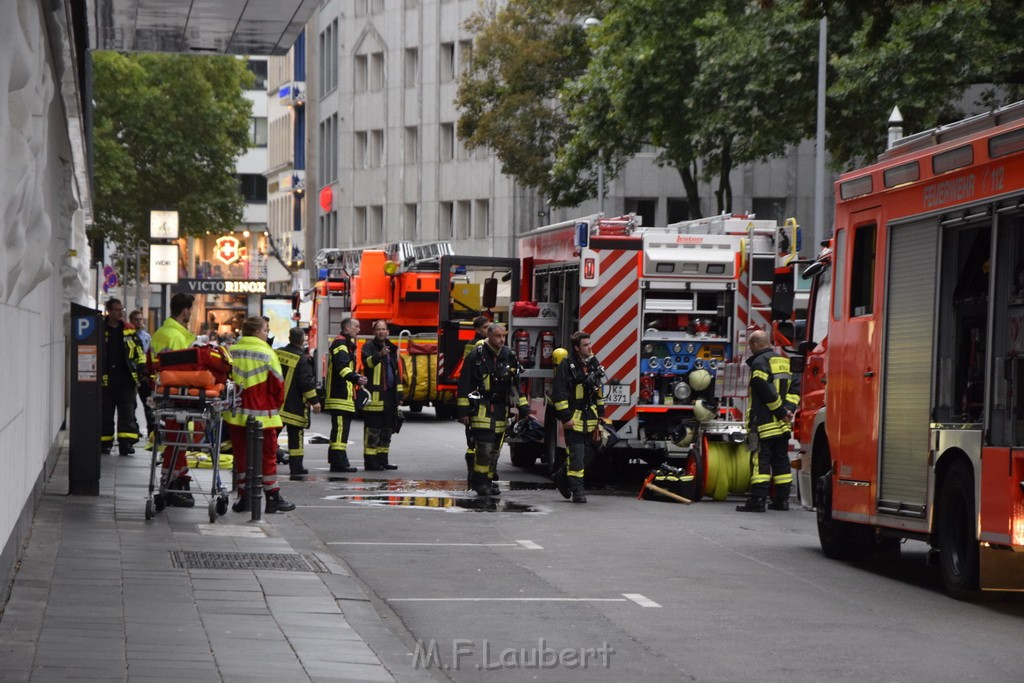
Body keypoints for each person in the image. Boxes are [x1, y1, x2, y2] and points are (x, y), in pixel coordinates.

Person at [224, 316, 295, 513]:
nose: (267, 333)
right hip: (263, 416)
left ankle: (245, 498)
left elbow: (226, 379)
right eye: (266, 330)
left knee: (242, 456)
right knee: (268, 456)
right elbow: (278, 386)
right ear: (256, 332)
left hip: (236, 415)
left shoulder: (233, 350)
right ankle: (273, 497)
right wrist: (275, 406)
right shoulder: (267, 352)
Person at [457, 323, 529, 496]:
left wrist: (524, 407)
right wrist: (463, 411)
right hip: (481, 407)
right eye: (498, 336)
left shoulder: (509, 355)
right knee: (485, 448)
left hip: (500, 409)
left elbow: (516, 385)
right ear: (489, 336)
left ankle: (488, 481)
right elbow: (465, 382)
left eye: (503, 336)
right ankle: (480, 483)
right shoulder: (477, 355)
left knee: (495, 450)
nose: (502, 339)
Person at [736, 329, 800, 513]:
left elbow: (764, 389)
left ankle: (757, 499)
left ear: (755, 345)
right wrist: (789, 410)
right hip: (783, 425)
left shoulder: (759, 362)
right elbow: (795, 390)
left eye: (750, 345)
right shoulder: (785, 361)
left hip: (764, 423)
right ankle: (782, 500)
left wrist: (780, 411)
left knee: (760, 461)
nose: (750, 349)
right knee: (781, 460)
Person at [148, 292, 199, 506]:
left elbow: (151, 365)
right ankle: (170, 485)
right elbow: (183, 372)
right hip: (176, 394)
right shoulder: (176, 337)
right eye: (191, 309)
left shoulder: (162, 332)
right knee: (176, 441)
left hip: (163, 392)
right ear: (185, 310)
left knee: (176, 440)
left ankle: (178, 479)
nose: (192, 313)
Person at [551, 331, 606, 504]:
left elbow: (598, 389)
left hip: (589, 417)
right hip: (573, 418)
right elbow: (559, 393)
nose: (590, 347)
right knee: (577, 454)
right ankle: (577, 490)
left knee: (588, 453)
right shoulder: (566, 365)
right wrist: (566, 418)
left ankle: (561, 477)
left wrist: (601, 413)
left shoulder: (593, 362)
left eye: (590, 343)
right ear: (576, 347)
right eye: (585, 345)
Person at [100, 298, 146, 456]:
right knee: (105, 412)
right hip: (106, 378)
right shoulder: (100, 328)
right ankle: (105, 442)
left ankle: (125, 444)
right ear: (109, 311)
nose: (120, 313)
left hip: (126, 378)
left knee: (127, 411)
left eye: (122, 309)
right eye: (117, 310)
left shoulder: (128, 329)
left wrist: (141, 368)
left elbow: (139, 350)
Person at [276, 327, 322, 476]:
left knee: (270, 437)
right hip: (293, 407)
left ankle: (265, 464)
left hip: (276, 406)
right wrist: (314, 401)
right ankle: (296, 468)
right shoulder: (302, 359)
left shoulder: (277, 353)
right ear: (302, 340)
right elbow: (306, 383)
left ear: (289, 338)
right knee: (295, 438)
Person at [360, 320, 403, 471]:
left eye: (384, 329)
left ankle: (383, 461)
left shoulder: (391, 348)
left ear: (388, 332)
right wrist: (379, 354)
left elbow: (395, 373)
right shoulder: (368, 347)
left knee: (386, 432)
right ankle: (371, 463)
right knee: (372, 432)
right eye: (378, 329)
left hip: (389, 398)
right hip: (374, 398)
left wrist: (400, 394)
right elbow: (368, 364)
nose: (381, 332)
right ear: (374, 332)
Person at [324, 318, 365, 473]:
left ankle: (337, 461)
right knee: (340, 430)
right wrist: (356, 378)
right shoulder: (341, 344)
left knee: (339, 430)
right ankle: (340, 463)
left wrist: (356, 377)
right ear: (347, 328)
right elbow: (342, 367)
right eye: (356, 326)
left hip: (342, 395)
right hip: (339, 395)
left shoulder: (344, 343)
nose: (359, 330)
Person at [462, 315, 491, 485]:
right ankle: (473, 475)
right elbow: (469, 373)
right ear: (478, 330)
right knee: (473, 441)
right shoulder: (473, 346)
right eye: (486, 327)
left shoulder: (490, 346)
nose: (489, 330)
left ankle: (477, 475)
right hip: (475, 399)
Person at [129, 309, 156, 443]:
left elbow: (149, 354)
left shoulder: (147, 336)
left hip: (144, 374)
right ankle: (134, 430)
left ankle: (151, 429)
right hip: (131, 373)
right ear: (131, 321)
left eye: (141, 319)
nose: (140, 321)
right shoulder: (129, 336)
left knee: (148, 404)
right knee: (131, 404)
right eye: (136, 319)